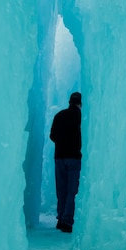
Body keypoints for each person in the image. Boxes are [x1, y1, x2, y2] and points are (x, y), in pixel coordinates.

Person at [49, 92, 82, 233]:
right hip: (73, 157)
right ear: (80, 103)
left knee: (61, 189)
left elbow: (52, 136)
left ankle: (61, 218)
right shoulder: (80, 116)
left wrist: (62, 143)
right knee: (71, 190)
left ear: (69, 102)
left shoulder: (59, 115)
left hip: (59, 156)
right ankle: (67, 221)